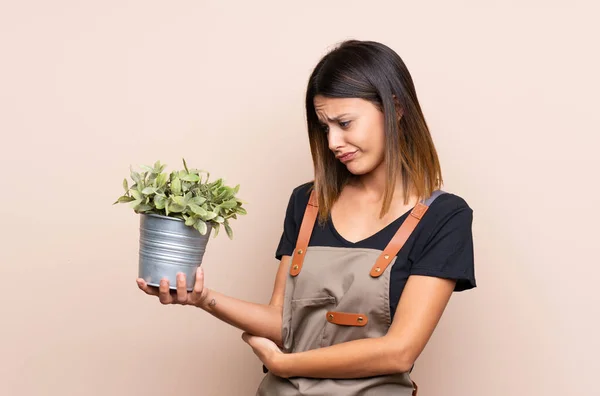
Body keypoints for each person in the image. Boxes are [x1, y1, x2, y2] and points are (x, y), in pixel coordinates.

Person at [136, 39, 476, 395]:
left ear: (395, 108)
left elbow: (399, 352)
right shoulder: (308, 201)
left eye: (345, 123)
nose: (332, 142)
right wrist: (201, 298)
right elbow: (283, 323)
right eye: (325, 127)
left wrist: (286, 364)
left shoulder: (445, 217)